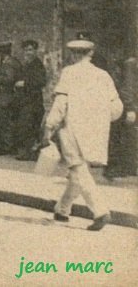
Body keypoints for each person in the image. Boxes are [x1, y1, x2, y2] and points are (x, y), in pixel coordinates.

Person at [42, 39, 123, 231]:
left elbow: (61, 104)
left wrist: (49, 127)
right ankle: (62, 209)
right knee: (79, 171)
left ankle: (100, 211)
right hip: (96, 130)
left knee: (77, 168)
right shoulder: (103, 75)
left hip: (72, 129)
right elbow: (116, 107)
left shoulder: (69, 73)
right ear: (90, 54)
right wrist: (101, 119)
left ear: (74, 54)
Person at [13, 40, 47, 161]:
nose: (28, 52)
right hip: (24, 100)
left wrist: (25, 83)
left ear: (35, 51)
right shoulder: (25, 64)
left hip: (34, 101)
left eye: (31, 50)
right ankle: (26, 152)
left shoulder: (38, 65)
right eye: (26, 50)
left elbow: (42, 81)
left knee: (30, 126)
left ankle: (29, 152)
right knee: (24, 126)